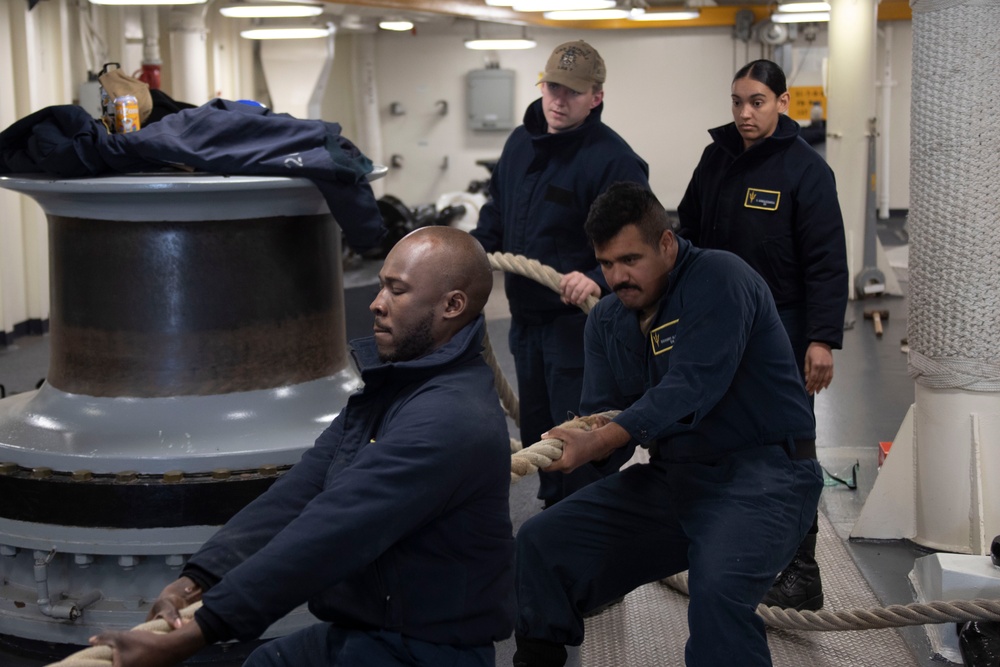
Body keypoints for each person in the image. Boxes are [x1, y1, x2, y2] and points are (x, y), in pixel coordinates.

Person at [91, 226, 515, 667]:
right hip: (372, 627)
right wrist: (197, 580)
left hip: (427, 649)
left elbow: (335, 527)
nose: (376, 303)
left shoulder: (449, 417)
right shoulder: (399, 385)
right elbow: (301, 492)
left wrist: (197, 634)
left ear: (452, 305)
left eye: (397, 290)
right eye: (380, 286)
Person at [511, 182, 824, 667]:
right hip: (676, 479)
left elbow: (690, 388)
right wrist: (569, 450)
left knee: (717, 590)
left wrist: (599, 441)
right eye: (607, 263)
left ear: (666, 243)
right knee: (541, 543)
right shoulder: (608, 322)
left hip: (766, 476)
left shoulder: (721, 278)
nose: (618, 277)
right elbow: (604, 428)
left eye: (630, 259)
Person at [676, 59, 848, 611]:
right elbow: (688, 238)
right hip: (720, 327)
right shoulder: (715, 159)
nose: (745, 113)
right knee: (719, 434)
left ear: (783, 102)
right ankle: (726, 548)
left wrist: (821, 339)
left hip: (785, 333)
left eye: (756, 101)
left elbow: (826, 263)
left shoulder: (806, 172)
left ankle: (802, 571)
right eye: (737, 101)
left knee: (789, 448)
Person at [472, 40, 649, 507]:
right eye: (552, 86)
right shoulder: (518, 144)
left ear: (596, 96)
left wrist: (595, 274)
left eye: (572, 92)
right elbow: (497, 210)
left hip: (578, 329)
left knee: (577, 436)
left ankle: (584, 524)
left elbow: (638, 245)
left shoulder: (613, 161)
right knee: (538, 433)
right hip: (525, 323)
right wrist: (473, 249)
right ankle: (554, 514)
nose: (557, 99)